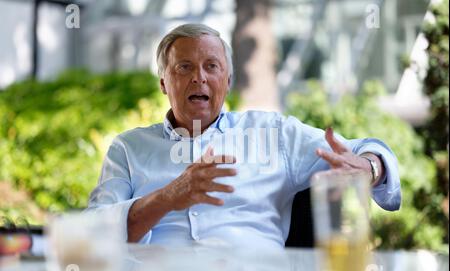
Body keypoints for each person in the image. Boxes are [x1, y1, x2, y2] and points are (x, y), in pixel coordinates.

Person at [86, 24, 401, 250]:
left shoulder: (273, 134)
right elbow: (94, 234)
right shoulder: (128, 148)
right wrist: (167, 198)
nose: (199, 77)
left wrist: (370, 168)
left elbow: (363, 149)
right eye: (184, 67)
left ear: (228, 79)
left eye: (212, 66)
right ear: (164, 83)